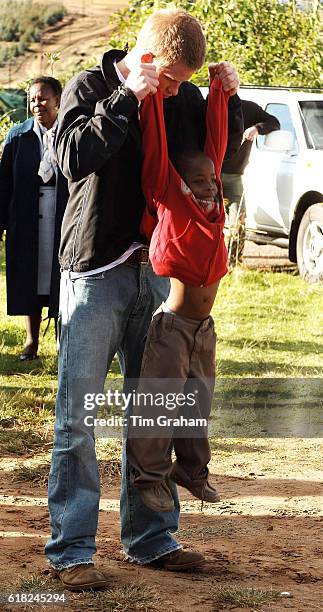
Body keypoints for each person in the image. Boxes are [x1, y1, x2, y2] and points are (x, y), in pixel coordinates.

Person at [45, 8, 242, 591]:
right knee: (78, 418)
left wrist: (223, 102)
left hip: (158, 274)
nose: (177, 90)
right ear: (148, 57)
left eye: (185, 81)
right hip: (94, 272)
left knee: (154, 410)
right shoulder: (91, 86)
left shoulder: (182, 100)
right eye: (173, 79)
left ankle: (152, 538)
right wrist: (126, 98)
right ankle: (73, 549)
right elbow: (69, 159)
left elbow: (212, 168)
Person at [127, 74, 230, 513]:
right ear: (181, 182)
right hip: (171, 328)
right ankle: (147, 476)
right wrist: (149, 98)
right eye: (199, 180)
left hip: (203, 329)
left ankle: (190, 470)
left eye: (211, 179)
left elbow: (217, 141)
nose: (208, 185)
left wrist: (222, 92)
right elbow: (156, 150)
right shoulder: (172, 199)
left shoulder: (215, 205)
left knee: (197, 405)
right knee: (159, 407)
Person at [0, 76, 68, 360]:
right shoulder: (18, 136)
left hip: (62, 214)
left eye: (43, 98)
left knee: (61, 278)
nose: (37, 104)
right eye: (32, 100)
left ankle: (64, 341)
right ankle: (31, 341)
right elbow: (4, 184)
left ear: (58, 100)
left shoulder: (70, 132)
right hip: (27, 215)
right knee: (31, 275)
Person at [221, 98, 280, 265]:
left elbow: (274, 123)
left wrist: (256, 129)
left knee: (237, 220)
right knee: (208, 221)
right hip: (210, 175)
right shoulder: (209, 104)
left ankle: (233, 263)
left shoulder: (249, 108)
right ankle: (205, 263)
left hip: (234, 177)